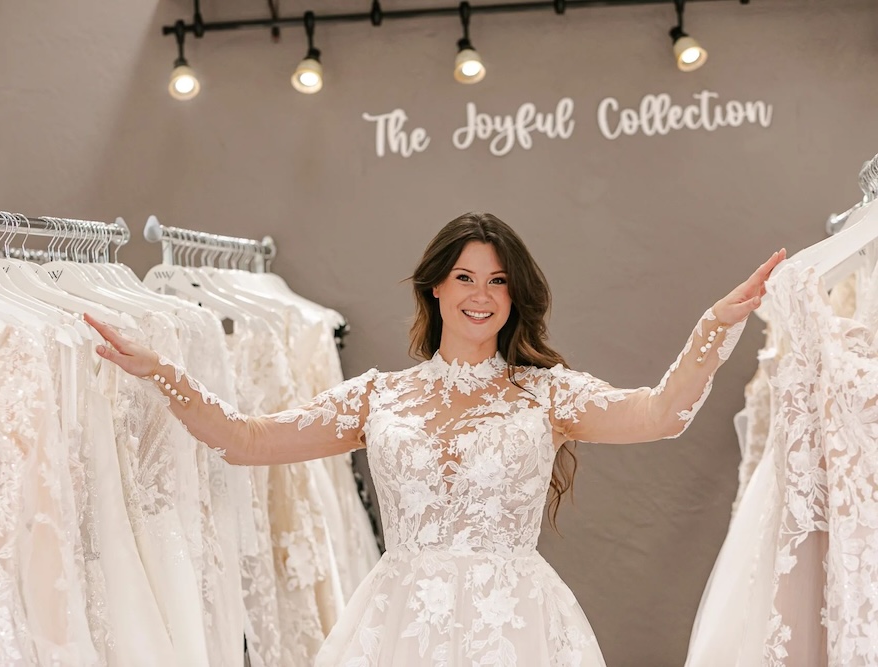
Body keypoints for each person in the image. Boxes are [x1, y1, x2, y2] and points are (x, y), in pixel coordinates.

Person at [85, 212, 785, 666]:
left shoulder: (544, 393)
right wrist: (161, 372)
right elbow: (244, 439)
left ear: (515, 298)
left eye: (498, 281)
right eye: (465, 277)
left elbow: (661, 412)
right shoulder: (380, 395)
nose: (481, 293)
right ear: (436, 289)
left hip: (517, 630)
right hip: (399, 628)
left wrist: (716, 327)